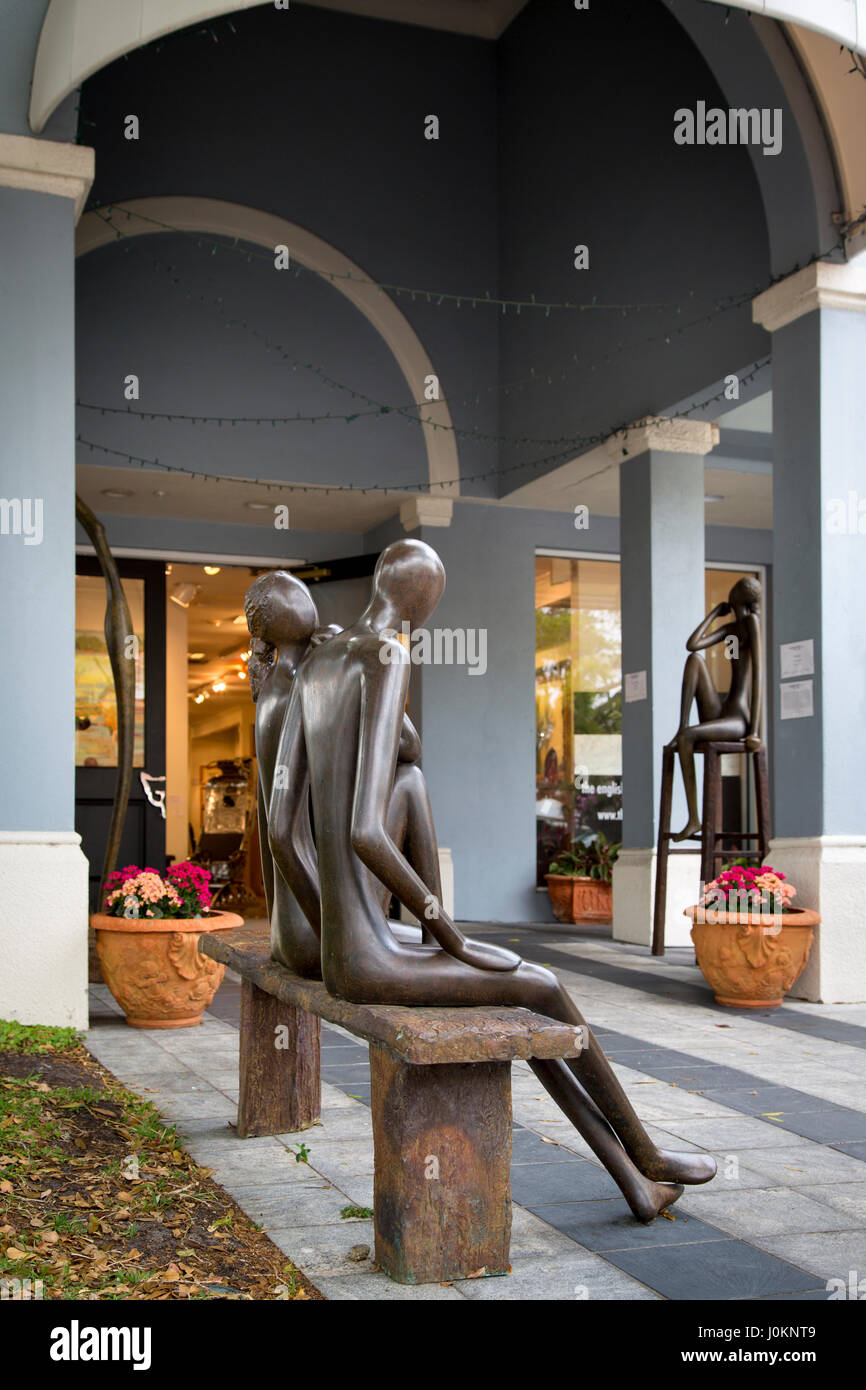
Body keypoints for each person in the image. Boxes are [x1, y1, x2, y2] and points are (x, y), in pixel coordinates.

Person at [268, 539, 716, 1222]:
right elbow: (366, 831)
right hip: (372, 957)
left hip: (347, 953)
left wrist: (333, 929)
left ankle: (634, 1176)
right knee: (541, 984)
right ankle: (647, 1151)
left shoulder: (318, 664)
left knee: (517, 998)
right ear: (422, 602)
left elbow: (279, 830)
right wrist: (445, 930)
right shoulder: (388, 653)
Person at [245, 571, 442, 972]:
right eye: (291, 594)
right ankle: (438, 935)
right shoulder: (297, 691)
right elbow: (410, 747)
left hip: (291, 927)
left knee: (406, 781)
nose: (303, 599)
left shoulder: (289, 684)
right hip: (312, 928)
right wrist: (332, 935)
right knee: (409, 782)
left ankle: (435, 936)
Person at [668, 576, 763, 842]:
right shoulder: (731, 630)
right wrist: (713, 615)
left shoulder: (752, 624)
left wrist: (754, 731)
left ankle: (694, 819)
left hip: (738, 719)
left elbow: (758, 677)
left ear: (739, 599)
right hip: (722, 710)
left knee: (689, 738)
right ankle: (681, 726)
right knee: (694, 661)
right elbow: (693, 644)